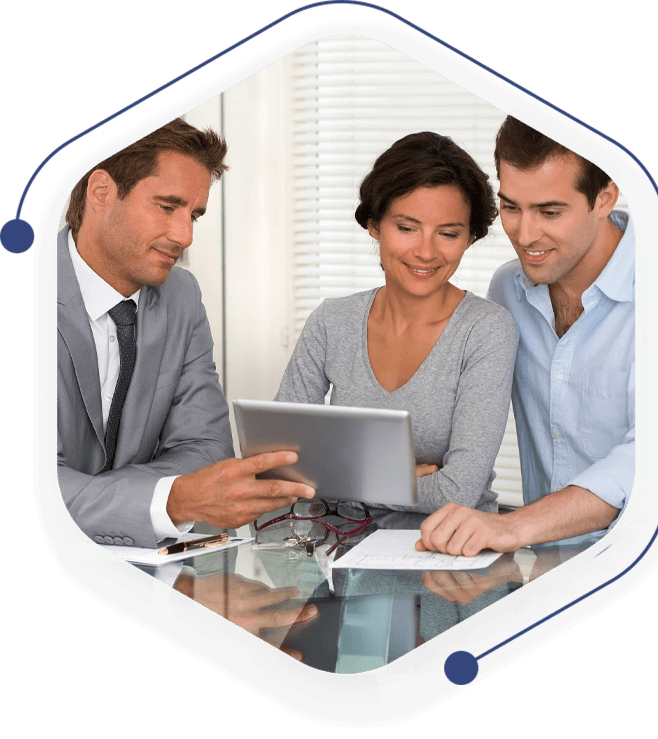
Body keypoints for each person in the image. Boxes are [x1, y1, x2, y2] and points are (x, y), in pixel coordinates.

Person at [58, 118, 315, 549]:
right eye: (167, 206)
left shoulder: (181, 295)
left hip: (140, 566)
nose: (185, 235)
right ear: (101, 192)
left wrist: (101, 495)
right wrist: (170, 499)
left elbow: (207, 449)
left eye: (193, 214)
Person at [416, 115, 635, 556]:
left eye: (550, 212)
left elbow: (649, 459)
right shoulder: (507, 292)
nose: (525, 236)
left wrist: (513, 528)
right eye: (512, 208)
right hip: (543, 567)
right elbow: (469, 400)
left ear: (604, 196)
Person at [275, 132, 518, 514]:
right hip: (340, 548)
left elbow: (458, 491)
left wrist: (340, 483)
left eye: (449, 234)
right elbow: (280, 462)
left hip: (452, 552)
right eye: (406, 228)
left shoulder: (486, 330)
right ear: (375, 224)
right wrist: (391, 482)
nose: (425, 251)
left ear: (470, 237)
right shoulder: (332, 321)